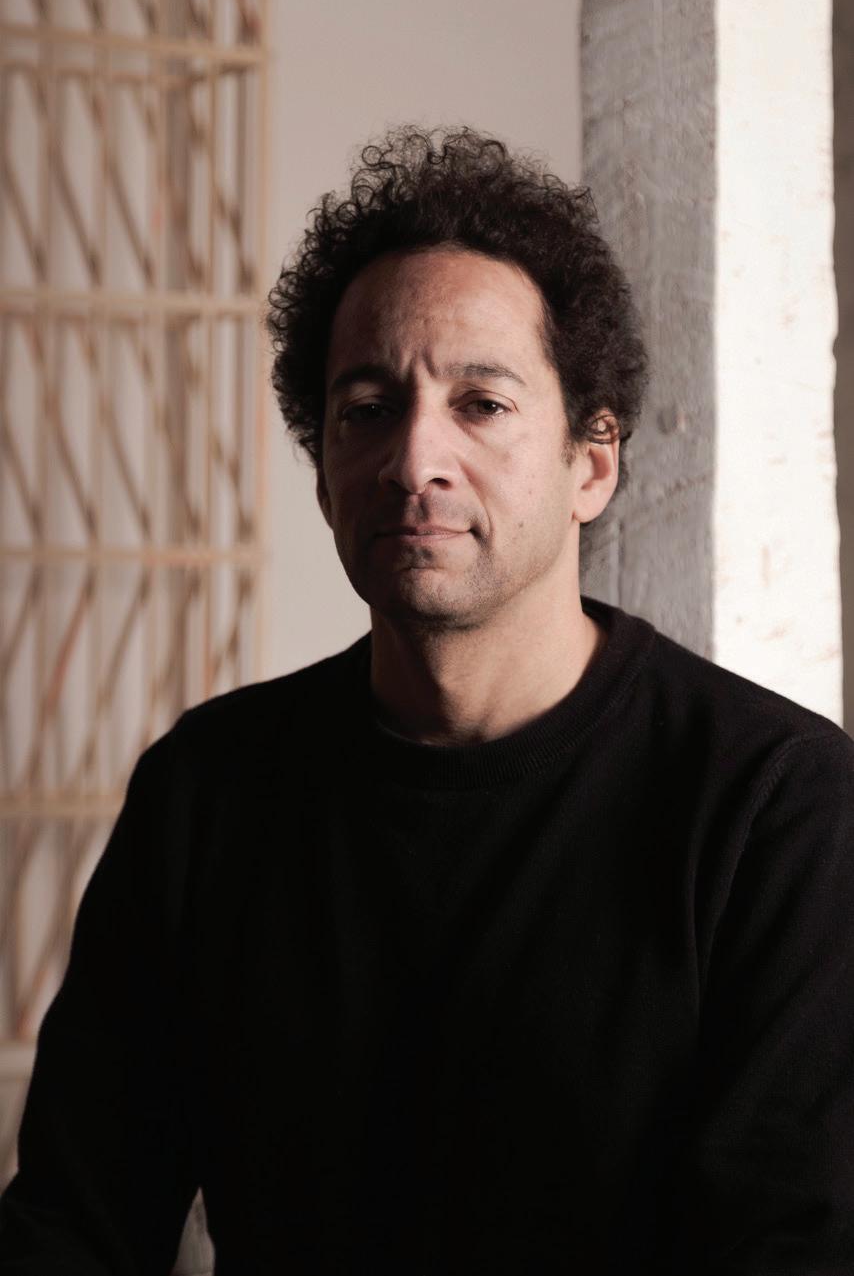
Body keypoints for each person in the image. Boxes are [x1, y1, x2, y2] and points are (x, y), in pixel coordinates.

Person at [1, 124, 853, 1275]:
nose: (414, 461)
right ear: (322, 472)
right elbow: (73, 1223)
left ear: (590, 462)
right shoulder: (207, 791)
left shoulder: (771, 804)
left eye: (480, 404)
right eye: (366, 407)